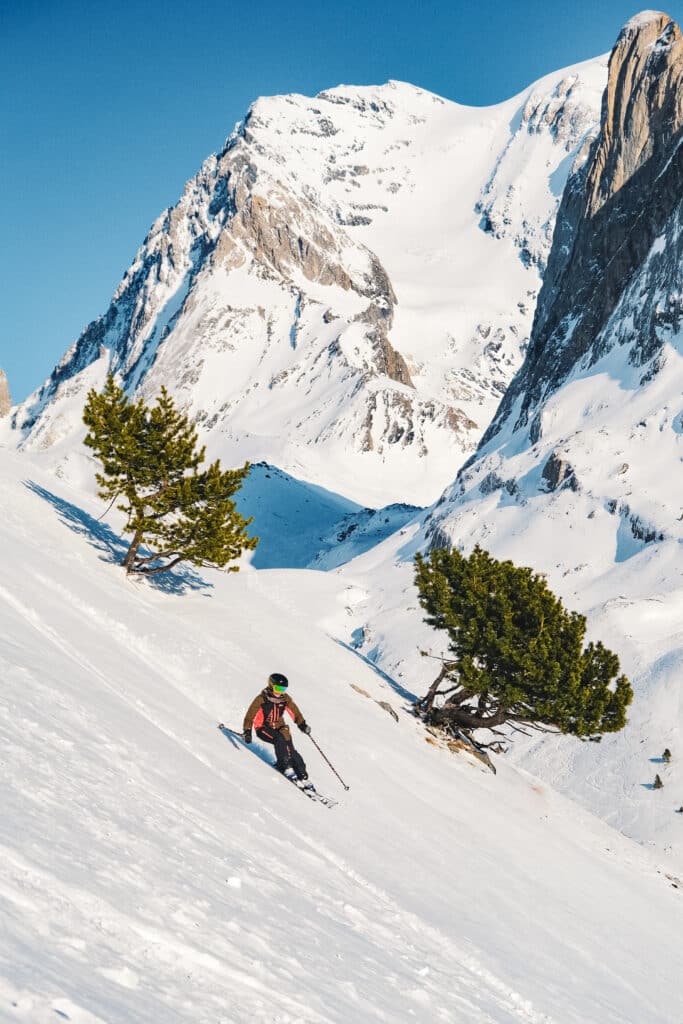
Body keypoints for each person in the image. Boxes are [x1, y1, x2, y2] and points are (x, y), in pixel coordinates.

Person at [243, 673, 311, 780]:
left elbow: (294, 711)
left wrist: (302, 724)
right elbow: (250, 715)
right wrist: (247, 731)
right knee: (279, 740)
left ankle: (302, 774)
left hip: (280, 727)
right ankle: (285, 766)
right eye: (277, 688)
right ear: (271, 685)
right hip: (263, 728)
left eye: (283, 689)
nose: (280, 692)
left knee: (290, 749)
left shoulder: (285, 699)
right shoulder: (261, 699)